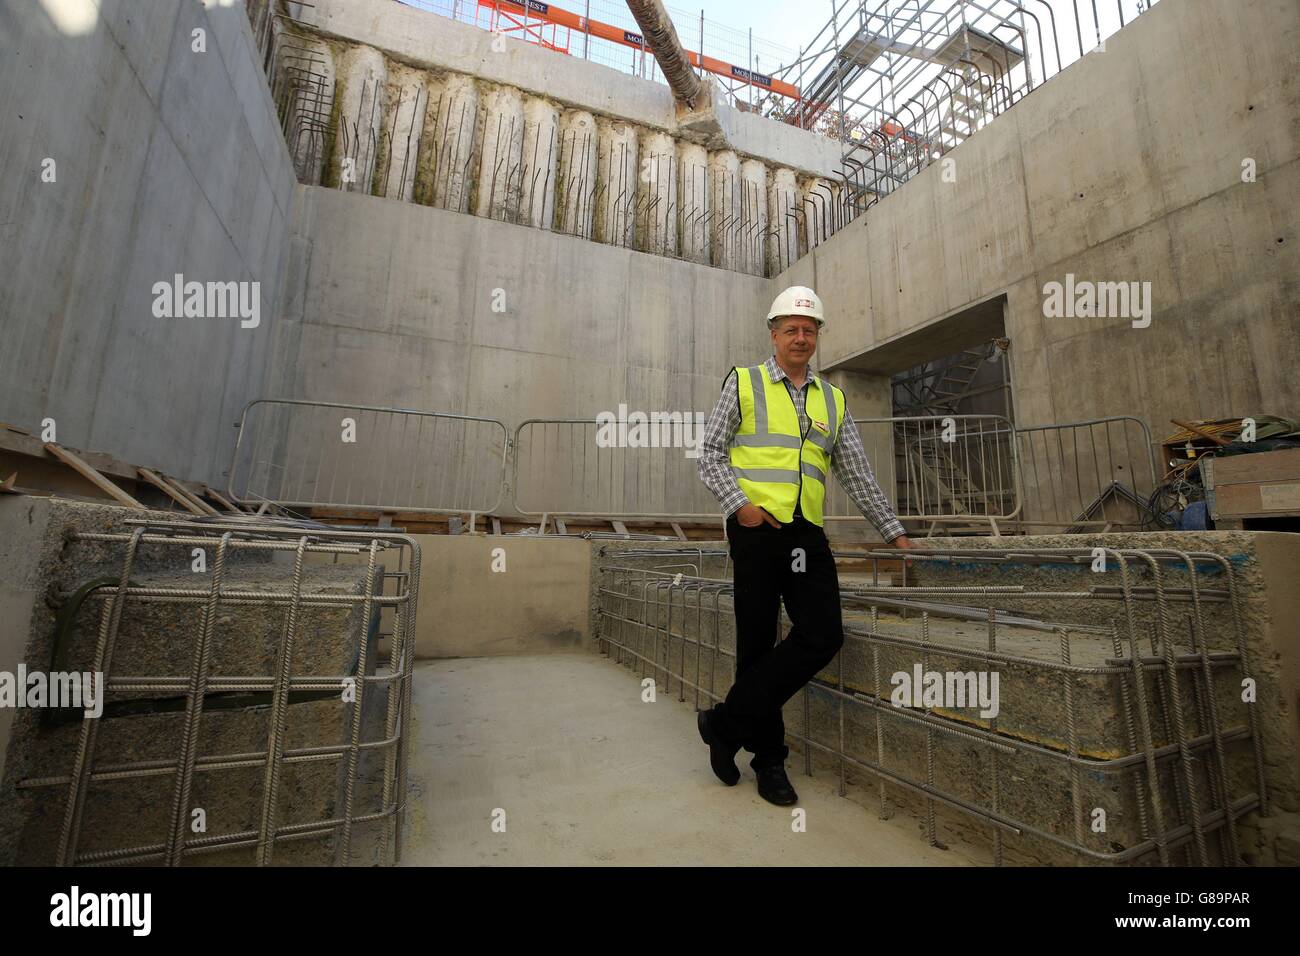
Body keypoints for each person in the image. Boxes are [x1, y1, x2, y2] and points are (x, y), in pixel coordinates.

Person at [695, 284, 915, 806]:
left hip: (805, 533)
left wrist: (894, 531)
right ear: (774, 334)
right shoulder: (744, 382)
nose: (800, 336)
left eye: (809, 329)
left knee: (822, 635)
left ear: (817, 337)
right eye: (791, 328)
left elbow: (856, 473)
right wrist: (740, 506)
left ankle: (724, 723)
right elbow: (710, 454)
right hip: (754, 530)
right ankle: (769, 760)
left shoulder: (832, 399)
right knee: (756, 643)